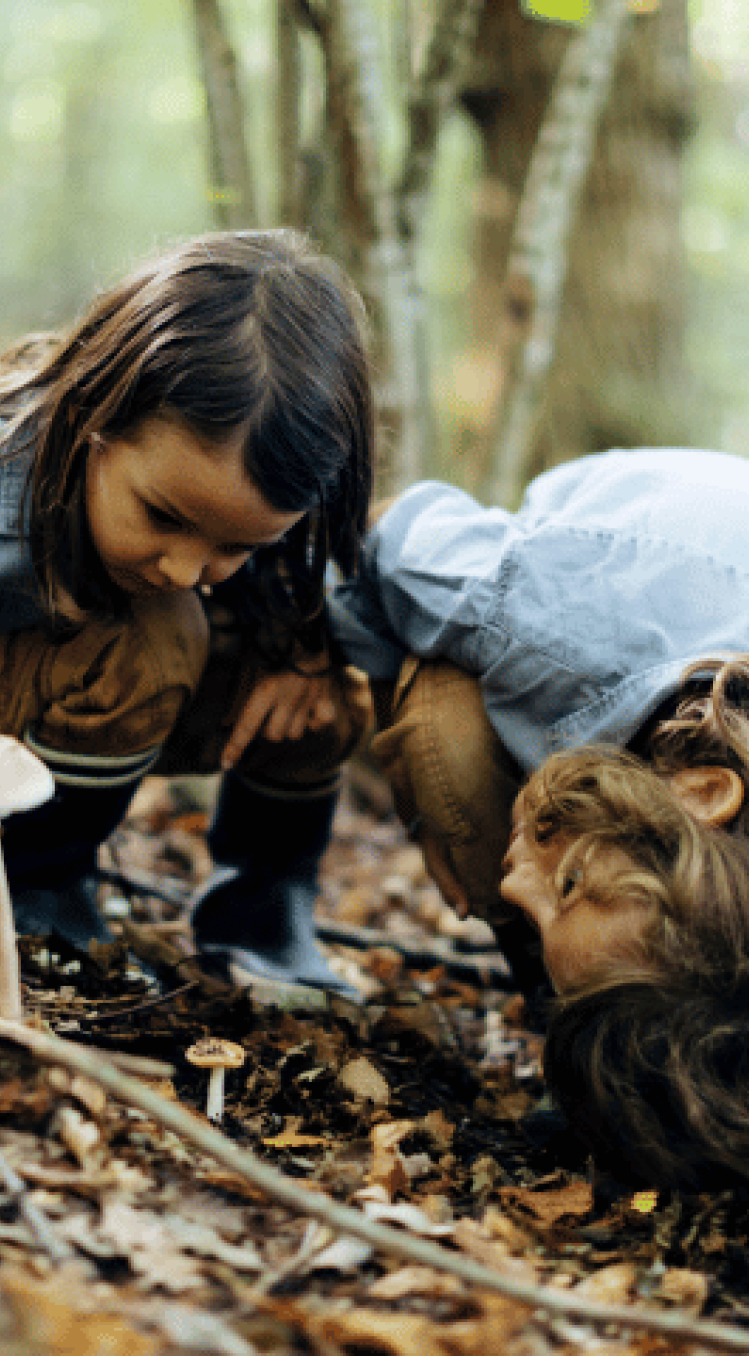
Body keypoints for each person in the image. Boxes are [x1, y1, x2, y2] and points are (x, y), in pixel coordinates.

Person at [329, 450, 749, 1187]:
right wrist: (355, 680)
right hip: (615, 594)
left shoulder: (693, 817)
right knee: (450, 742)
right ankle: (569, 1027)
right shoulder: (547, 621)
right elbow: (385, 532)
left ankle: (600, 1039)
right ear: (702, 793)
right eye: (571, 885)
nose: (509, 889)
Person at [0, 229, 374, 994]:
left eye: (237, 545)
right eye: (162, 516)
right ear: (95, 419)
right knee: (162, 626)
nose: (183, 568)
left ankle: (264, 922)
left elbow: (338, 582)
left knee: (324, 691)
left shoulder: (283, 520)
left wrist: (308, 650)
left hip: (84, 714)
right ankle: (37, 893)